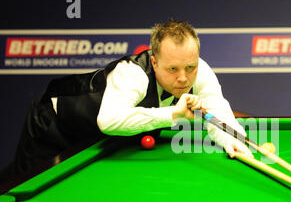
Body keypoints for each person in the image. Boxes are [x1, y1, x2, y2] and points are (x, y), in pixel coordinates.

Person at [0, 20, 252, 184]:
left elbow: (218, 113)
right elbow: (108, 120)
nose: (183, 77)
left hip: (98, 141)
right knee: (19, 187)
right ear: (154, 61)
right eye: (172, 68)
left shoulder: (201, 70)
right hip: (55, 124)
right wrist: (173, 115)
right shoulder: (132, 73)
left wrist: (234, 141)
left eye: (190, 67)